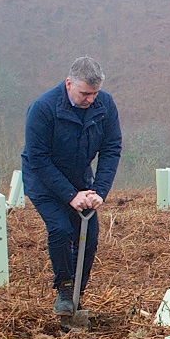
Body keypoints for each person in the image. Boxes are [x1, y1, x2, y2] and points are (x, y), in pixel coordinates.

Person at [21, 57, 123, 317]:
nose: (90, 99)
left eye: (95, 93)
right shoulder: (43, 108)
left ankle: (78, 292)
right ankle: (64, 290)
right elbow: (38, 158)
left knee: (88, 238)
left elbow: (111, 148)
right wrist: (69, 195)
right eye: (85, 93)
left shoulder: (105, 105)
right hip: (43, 180)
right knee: (60, 229)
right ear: (68, 84)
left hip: (80, 179)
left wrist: (99, 191)